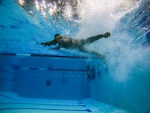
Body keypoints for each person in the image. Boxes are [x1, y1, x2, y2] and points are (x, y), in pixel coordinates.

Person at [41, 32, 111, 61]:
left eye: (58, 37)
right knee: (89, 52)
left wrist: (53, 48)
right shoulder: (59, 41)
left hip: (77, 43)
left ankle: (103, 35)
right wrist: (49, 45)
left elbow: (60, 45)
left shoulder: (61, 40)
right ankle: (102, 56)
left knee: (89, 40)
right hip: (77, 47)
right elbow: (56, 44)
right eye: (57, 38)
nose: (58, 39)